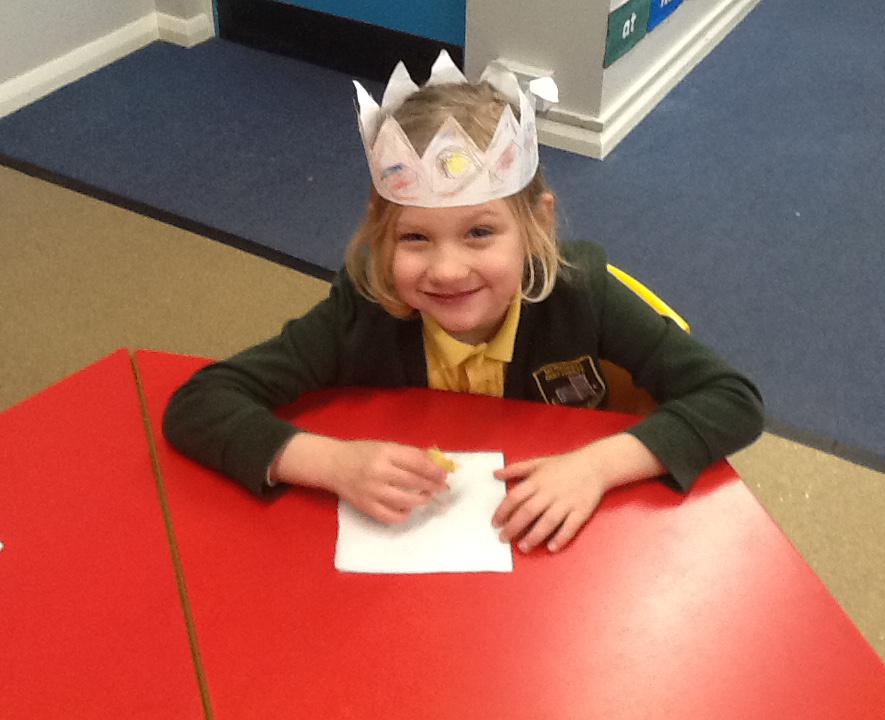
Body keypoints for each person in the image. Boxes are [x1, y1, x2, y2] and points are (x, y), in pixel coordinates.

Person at [162, 51, 763, 555]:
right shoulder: (362, 310)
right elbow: (200, 403)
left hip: (564, 546)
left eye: (479, 232)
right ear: (381, 237)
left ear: (537, 225)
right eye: (414, 238)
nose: (447, 271)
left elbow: (731, 399)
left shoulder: (581, 294)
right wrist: (331, 464)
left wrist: (597, 467)